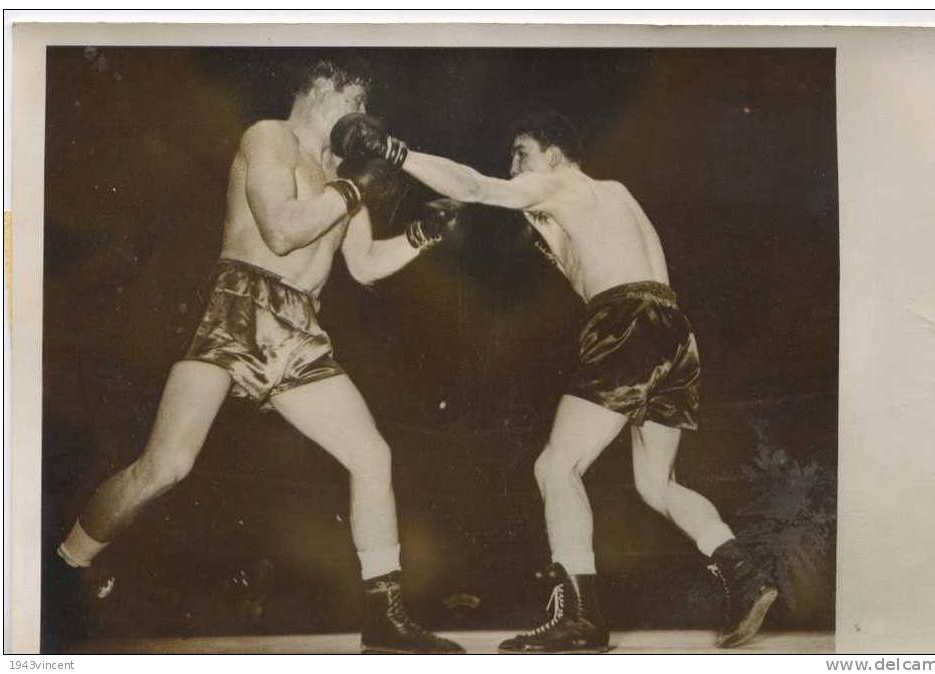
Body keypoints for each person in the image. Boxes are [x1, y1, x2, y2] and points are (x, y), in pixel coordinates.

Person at [55, 59, 463, 654]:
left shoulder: (339, 170)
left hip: (300, 326)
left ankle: (384, 616)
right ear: (323, 89)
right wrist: (351, 190)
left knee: (372, 454)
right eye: (356, 102)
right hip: (240, 307)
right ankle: (66, 566)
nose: (362, 120)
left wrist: (422, 237)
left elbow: (366, 264)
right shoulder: (268, 136)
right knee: (165, 466)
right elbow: (278, 231)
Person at [331, 110, 779, 653]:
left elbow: (475, 186)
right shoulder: (614, 197)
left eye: (521, 151)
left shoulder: (561, 182)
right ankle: (744, 573)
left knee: (556, 466)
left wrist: (397, 154)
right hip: (674, 333)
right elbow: (597, 274)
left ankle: (581, 619)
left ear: (555, 155)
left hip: (626, 325)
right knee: (655, 484)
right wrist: (552, 244)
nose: (513, 163)